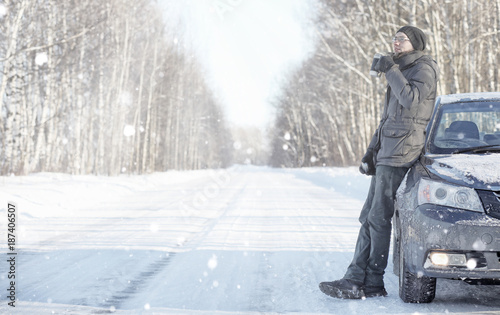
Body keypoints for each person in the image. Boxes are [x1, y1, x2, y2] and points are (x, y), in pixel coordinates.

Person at [319, 25, 439, 299]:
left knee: (378, 217)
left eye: (402, 40)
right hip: (388, 151)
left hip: (401, 152)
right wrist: (371, 150)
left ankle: (369, 281)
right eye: (394, 39)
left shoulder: (424, 69)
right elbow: (388, 120)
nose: (396, 44)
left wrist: (390, 70)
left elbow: (410, 101)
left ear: (416, 43)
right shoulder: (403, 70)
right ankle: (359, 278)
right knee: (369, 217)